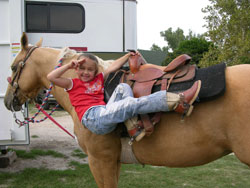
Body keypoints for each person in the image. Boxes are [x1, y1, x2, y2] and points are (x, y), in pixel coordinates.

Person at [47, 52, 201, 142]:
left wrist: (127, 56)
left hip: (105, 111)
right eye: (82, 69)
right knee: (130, 104)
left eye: (90, 70)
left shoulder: (98, 78)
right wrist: (68, 65)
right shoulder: (71, 83)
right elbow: (51, 77)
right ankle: (175, 100)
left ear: (95, 72)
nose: (86, 72)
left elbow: (113, 67)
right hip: (93, 118)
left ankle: (132, 126)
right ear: (76, 69)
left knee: (124, 88)